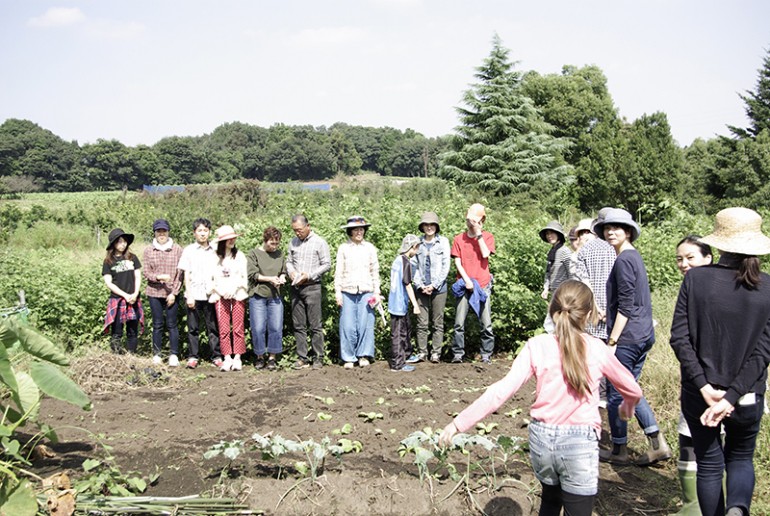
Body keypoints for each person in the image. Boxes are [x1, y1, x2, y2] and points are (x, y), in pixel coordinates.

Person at [439, 280, 642, 516]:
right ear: (588, 315)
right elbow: (633, 389)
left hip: (542, 440)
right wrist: (627, 406)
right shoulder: (597, 348)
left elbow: (501, 390)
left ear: (553, 312)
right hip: (579, 441)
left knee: (550, 502)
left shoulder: (536, 345)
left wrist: (457, 424)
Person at [670, 208, 770, 516]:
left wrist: (703, 386)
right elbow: (764, 350)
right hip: (747, 394)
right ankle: (737, 510)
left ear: (720, 243)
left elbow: (679, 338)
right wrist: (732, 396)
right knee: (740, 457)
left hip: (700, 394)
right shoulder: (767, 286)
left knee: (709, 463)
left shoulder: (696, 280)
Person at [594, 208, 671, 466]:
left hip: (628, 337)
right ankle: (657, 442)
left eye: (617, 228)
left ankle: (619, 450)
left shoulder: (624, 259)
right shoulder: (632, 256)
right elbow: (631, 302)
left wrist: (612, 341)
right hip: (641, 332)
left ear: (628, 232)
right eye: (607, 228)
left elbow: (627, 305)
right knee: (630, 389)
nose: (610, 231)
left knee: (617, 392)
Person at [673, 235, 712, 515]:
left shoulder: (710, 289)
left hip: (706, 380)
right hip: (699, 379)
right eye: (679, 259)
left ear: (708, 258)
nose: (684, 264)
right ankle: (693, 504)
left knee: (697, 441)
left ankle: (697, 507)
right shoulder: (691, 286)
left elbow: (682, 338)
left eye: (690, 258)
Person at [450, 203, 496, 363]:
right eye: (470, 220)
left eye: (475, 220)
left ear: (482, 220)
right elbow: (457, 262)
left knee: (486, 323)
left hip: (483, 285)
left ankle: (486, 354)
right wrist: (466, 280)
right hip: (464, 284)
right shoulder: (458, 239)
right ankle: (457, 354)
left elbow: (485, 254)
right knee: (459, 323)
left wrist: (478, 234)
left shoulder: (488, 237)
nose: (471, 223)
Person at [334, 215, 380, 369]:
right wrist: (338, 293)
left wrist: (376, 293)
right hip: (347, 291)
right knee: (347, 325)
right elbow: (338, 272)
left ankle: (363, 355)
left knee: (365, 324)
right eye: (355, 229)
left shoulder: (370, 248)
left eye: (361, 229)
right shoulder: (343, 248)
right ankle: (348, 357)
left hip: (367, 290)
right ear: (350, 232)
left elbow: (375, 272)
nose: (359, 232)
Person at [286, 214, 331, 370]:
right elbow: (288, 261)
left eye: (299, 230)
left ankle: (318, 357)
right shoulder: (293, 242)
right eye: (295, 231)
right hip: (296, 287)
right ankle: (302, 358)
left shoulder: (319, 242)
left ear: (308, 226)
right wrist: (291, 272)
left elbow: (326, 264)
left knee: (315, 325)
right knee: (299, 325)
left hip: (312, 286)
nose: (297, 233)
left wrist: (309, 275)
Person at [178, 218, 221, 369]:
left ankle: (216, 355)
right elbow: (186, 275)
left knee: (213, 327)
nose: (203, 234)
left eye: (205, 231)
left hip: (211, 295)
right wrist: (189, 294)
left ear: (209, 232)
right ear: (194, 233)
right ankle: (193, 356)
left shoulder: (215, 250)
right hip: (194, 294)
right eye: (199, 231)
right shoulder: (189, 250)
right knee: (193, 328)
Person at [409, 212, 450, 364]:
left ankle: (436, 353)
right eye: (426, 225)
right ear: (422, 227)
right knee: (421, 322)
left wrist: (434, 285)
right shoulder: (417, 243)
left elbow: (446, 266)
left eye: (432, 225)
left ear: (436, 226)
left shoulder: (443, 242)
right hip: (421, 288)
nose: (429, 227)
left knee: (437, 322)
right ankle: (422, 352)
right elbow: (414, 267)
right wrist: (420, 285)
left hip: (439, 288)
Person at [143, 219, 184, 367]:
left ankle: (173, 354)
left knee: (172, 324)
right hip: (154, 292)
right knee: (158, 324)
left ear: (168, 232)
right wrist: (158, 277)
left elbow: (181, 273)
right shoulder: (148, 250)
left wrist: (174, 292)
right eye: (159, 231)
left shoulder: (177, 249)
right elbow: (146, 272)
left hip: (172, 293)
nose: (161, 234)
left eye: (164, 231)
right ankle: (157, 354)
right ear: (154, 233)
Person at [207, 225, 248, 372]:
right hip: (220, 295)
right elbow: (210, 278)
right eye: (228, 239)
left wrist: (234, 289)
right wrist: (221, 291)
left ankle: (237, 357)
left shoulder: (240, 256)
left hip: (237, 294)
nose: (231, 241)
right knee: (223, 328)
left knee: (238, 327)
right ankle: (227, 357)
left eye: (233, 238)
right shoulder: (214, 258)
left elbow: (244, 277)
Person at [247, 226, 287, 371]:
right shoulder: (253, 254)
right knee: (258, 328)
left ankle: (272, 357)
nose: (274, 246)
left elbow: (283, 271)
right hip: (258, 295)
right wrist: (270, 279)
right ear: (265, 240)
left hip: (275, 296)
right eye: (272, 243)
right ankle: (259, 356)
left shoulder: (280, 254)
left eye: (277, 243)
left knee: (276, 327)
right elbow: (253, 274)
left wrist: (282, 277)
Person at [102, 228, 143, 354]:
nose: (123, 244)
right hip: (117, 299)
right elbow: (109, 282)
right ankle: (116, 357)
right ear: (114, 244)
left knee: (132, 331)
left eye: (124, 241)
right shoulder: (108, 261)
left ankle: (132, 356)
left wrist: (135, 293)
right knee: (117, 331)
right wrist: (125, 295)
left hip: (133, 298)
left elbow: (137, 276)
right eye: (119, 242)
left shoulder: (132, 258)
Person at [389, 234, 421, 372]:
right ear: (412, 247)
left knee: (405, 330)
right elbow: (407, 285)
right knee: (399, 334)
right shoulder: (406, 262)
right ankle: (397, 364)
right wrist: (415, 304)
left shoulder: (398, 260)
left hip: (395, 303)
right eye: (417, 248)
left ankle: (406, 355)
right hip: (399, 305)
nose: (417, 251)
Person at [540, 220, 572, 334]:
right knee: (553, 322)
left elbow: (571, 272)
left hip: (564, 293)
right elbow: (548, 272)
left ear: (559, 234)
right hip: (554, 292)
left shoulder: (564, 251)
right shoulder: (552, 252)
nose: (549, 236)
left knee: (557, 322)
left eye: (552, 233)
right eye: (547, 234)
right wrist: (546, 288)